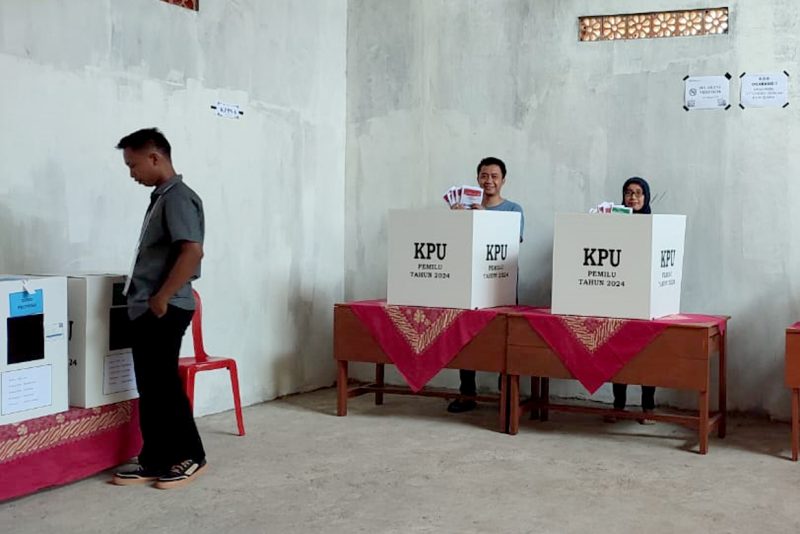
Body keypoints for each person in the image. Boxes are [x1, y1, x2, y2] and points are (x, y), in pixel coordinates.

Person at [111, 128, 208, 489]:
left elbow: (191, 251)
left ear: (155, 157)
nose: (132, 173)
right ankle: (155, 457)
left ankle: (191, 456)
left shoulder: (179, 198)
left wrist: (162, 297)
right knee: (151, 386)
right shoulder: (162, 197)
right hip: (148, 307)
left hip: (164, 309)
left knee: (163, 385)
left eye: (133, 164)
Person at [447, 156, 524, 414]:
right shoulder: (465, 207)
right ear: (477, 179)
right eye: (484, 176)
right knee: (465, 338)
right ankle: (467, 393)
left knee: (504, 338)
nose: (488, 181)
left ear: (503, 180)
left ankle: (507, 395)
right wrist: (458, 220)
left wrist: (485, 221)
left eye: (494, 176)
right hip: (468, 284)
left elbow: (513, 242)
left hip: (500, 284)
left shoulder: (514, 210)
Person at [605, 176, 656, 425]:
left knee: (647, 356)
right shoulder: (616, 222)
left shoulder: (655, 225)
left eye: (638, 193)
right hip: (620, 298)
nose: (633, 198)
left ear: (646, 197)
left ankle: (648, 408)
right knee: (618, 355)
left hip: (645, 300)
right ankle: (619, 406)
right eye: (628, 193)